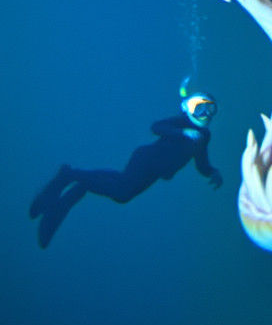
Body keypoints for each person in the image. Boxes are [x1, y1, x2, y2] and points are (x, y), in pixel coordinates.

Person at [30, 91, 222, 248]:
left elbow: (201, 163)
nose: (205, 113)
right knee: (121, 192)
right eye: (199, 107)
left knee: (121, 187)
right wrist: (181, 132)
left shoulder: (204, 136)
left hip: (155, 171)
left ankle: (74, 182)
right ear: (188, 108)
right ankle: (71, 177)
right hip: (146, 160)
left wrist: (212, 172)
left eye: (210, 109)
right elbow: (157, 127)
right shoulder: (181, 123)